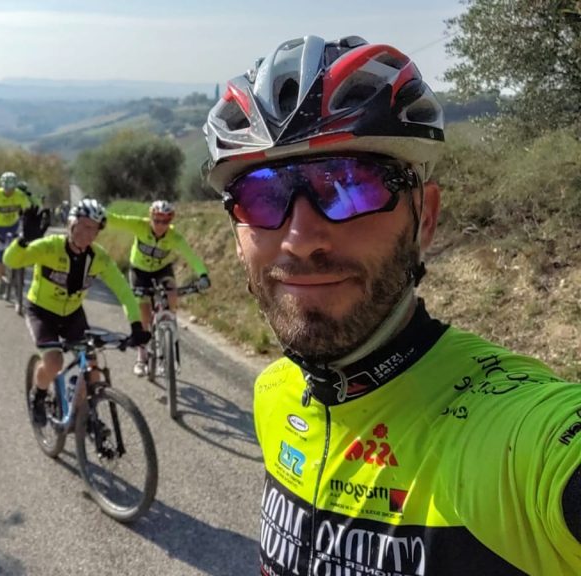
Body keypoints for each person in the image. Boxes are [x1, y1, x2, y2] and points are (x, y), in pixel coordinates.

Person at [203, 35, 581, 575]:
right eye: (262, 197)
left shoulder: (508, 435)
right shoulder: (273, 395)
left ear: (423, 218)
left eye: (351, 187)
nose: (299, 238)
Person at [3, 199, 150, 426]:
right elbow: (11, 261)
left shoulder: (98, 257)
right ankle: (38, 395)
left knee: (92, 369)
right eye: (83, 225)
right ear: (71, 223)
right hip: (41, 312)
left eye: (94, 228)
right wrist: (23, 241)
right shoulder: (49, 246)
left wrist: (136, 325)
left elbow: (123, 291)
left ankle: (83, 414)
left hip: (72, 315)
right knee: (54, 362)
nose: (87, 232)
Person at [106, 200, 211, 376]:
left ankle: (168, 324)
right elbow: (116, 220)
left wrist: (203, 275)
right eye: (157, 220)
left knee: (172, 292)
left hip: (162, 271)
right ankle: (141, 355)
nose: (161, 225)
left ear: (171, 222)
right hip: (139, 271)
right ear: (151, 218)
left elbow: (191, 256)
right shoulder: (140, 225)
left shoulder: (174, 237)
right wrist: (97, 214)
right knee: (143, 314)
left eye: (165, 222)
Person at [0, 171, 32, 296]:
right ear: (2, 186)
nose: (9, 192)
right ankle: (0, 280)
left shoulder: (20, 195)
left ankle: (20, 275)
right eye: (6, 189)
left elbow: (29, 210)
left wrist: (28, 227)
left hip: (13, 226)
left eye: (11, 189)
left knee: (21, 249)